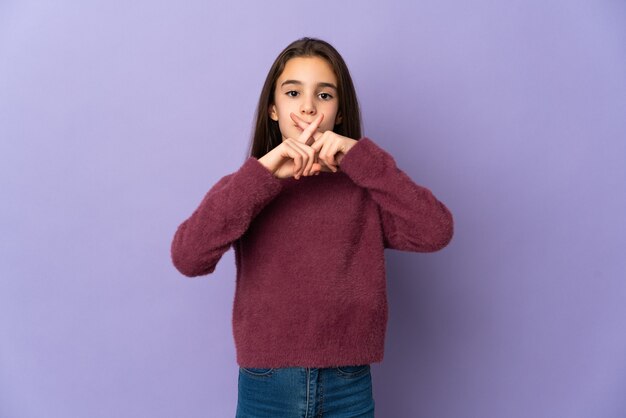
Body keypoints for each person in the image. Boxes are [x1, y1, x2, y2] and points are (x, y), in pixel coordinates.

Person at [170, 37, 454, 418]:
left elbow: (435, 230)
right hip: (266, 384)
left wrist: (359, 156)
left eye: (324, 95)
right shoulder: (246, 188)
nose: (307, 106)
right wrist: (264, 173)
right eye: (292, 92)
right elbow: (189, 257)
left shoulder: (364, 188)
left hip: (348, 383)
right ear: (273, 109)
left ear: (338, 111)